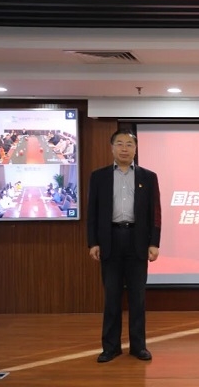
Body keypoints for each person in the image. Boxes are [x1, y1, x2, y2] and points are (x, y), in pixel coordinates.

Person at [87, 129, 162, 363]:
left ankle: (138, 347)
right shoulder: (99, 177)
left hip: (137, 241)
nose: (124, 149)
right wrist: (93, 242)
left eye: (129, 144)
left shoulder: (148, 177)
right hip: (109, 240)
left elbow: (155, 213)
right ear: (112, 148)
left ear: (135, 149)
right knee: (112, 297)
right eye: (119, 144)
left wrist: (154, 243)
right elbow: (92, 213)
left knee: (137, 298)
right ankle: (111, 347)